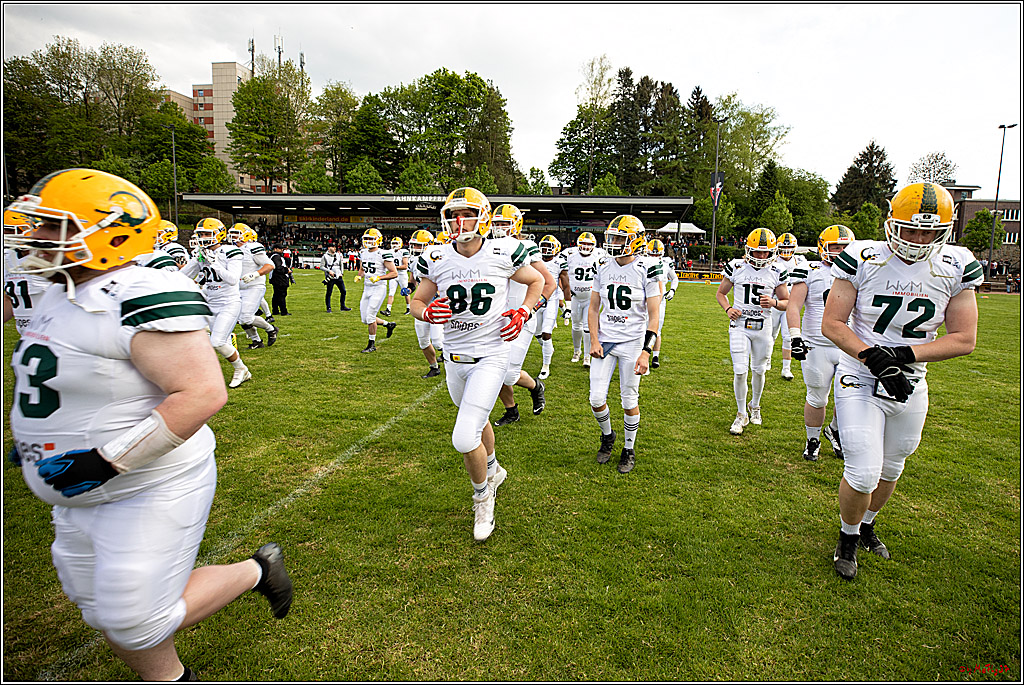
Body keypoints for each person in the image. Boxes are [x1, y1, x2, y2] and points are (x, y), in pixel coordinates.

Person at [3, 168, 293, 682]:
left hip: (148, 480)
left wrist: (106, 460)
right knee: (97, 607)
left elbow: (202, 392)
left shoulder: (140, 290)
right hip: (74, 484)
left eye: (54, 226)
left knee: (134, 618)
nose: (36, 236)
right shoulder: (58, 291)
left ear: (112, 234)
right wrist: (35, 437)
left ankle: (257, 570)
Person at [821, 182, 981, 581]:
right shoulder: (864, 257)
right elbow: (832, 323)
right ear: (892, 223)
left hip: (910, 379)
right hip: (860, 372)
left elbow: (964, 338)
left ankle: (867, 524)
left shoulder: (956, 264)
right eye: (910, 229)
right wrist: (874, 357)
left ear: (945, 231)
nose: (918, 239)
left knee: (893, 465)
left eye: (929, 232)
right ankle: (847, 538)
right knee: (863, 470)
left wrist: (903, 356)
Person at [411, 187, 543, 542]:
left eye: (467, 214)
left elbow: (536, 280)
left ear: (482, 218)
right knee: (478, 419)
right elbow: (417, 300)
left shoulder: (503, 251)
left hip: (491, 354)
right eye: (453, 215)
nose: (459, 222)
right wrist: (426, 312)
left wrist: (524, 310)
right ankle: (494, 469)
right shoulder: (436, 256)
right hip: (454, 356)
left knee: (464, 436)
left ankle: (483, 498)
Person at [587, 215, 662, 474]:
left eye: (620, 238)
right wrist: (594, 339)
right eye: (613, 238)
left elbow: (654, 315)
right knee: (596, 398)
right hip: (606, 340)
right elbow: (594, 307)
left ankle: (629, 448)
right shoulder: (602, 265)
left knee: (629, 398)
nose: (614, 243)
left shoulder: (647, 268)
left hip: (632, 341)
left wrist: (646, 351)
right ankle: (608, 435)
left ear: (636, 240)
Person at [785, 225, 855, 461]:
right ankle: (812, 439)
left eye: (845, 247)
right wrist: (795, 336)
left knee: (849, 397)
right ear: (823, 246)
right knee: (817, 396)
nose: (841, 251)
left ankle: (834, 430)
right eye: (836, 246)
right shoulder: (809, 269)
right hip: (817, 345)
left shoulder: (861, 271)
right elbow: (793, 305)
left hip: (848, 345)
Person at [715, 228, 790, 435]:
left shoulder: (777, 270)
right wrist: (728, 309)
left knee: (759, 370)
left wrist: (774, 302)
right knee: (740, 370)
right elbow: (721, 293)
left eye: (765, 252)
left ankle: (755, 405)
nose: (762, 256)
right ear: (749, 250)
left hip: (763, 326)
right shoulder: (736, 266)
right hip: (740, 325)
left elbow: (786, 301)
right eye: (757, 251)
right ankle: (741, 414)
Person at [489, 204, 553, 428]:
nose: (499, 228)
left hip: (521, 317)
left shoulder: (525, 247)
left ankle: (535, 386)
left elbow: (549, 283)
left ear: (516, 224)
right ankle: (511, 410)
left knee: (508, 374)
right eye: (496, 223)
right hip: (494, 317)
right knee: (492, 368)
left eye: (504, 223)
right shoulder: (486, 246)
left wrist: (529, 310)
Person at [180, 219, 251, 388]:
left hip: (229, 302)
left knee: (217, 342)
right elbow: (182, 275)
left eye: (207, 234)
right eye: (201, 234)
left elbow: (233, 279)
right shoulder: (201, 253)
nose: (203, 237)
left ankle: (241, 369)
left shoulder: (230, 251)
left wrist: (214, 263)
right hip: (210, 303)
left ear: (218, 234)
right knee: (219, 341)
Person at [4, 207, 54, 333]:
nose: (6, 234)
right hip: (28, 335)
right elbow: (11, 298)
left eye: (11, 230)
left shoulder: (50, 257)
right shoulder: (8, 257)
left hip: (54, 332)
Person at [564, 231, 608, 369]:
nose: (586, 246)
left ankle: (587, 356)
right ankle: (577, 351)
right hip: (575, 297)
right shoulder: (570, 254)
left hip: (590, 298)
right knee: (576, 326)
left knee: (587, 328)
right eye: (583, 243)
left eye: (589, 244)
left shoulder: (600, 255)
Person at [231, 224, 279, 349]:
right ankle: (256, 341)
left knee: (245, 317)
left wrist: (255, 274)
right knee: (239, 317)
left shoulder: (252, 247)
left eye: (236, 233)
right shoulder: (231, 249)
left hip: (254, 286)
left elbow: (270, 265)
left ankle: (271, 329)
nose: (232, 236)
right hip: (238, 287)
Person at [768, 232, 806, 380]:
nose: (786, 250)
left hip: (791, 304)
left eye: (789, 247)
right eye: (783, 247)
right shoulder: (772, 260)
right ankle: (767, 361)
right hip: (775, 302)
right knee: (770, 334)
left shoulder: (800, 261)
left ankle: (786, 368)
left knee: (788, 336)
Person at [356, 227, 398, 353]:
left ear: (378, 240)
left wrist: (379, 277)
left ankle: (371, 344)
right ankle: (388, 324)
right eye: (366, 239)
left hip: (379, 288)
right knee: (365, 319)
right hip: (367, 287)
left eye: (371, 239)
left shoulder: (383, 253)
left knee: (370, 317)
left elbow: (394, 273)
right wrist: (359, 276)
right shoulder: (363, 252)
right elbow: (362, 269)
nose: (368, 241)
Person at [408, 229, 443, 378]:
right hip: (421, 304)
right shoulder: (413, 260)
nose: (415, 248)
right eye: (414, 245)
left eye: (418, 245)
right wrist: (409, 288)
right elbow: (412, 281)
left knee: (438, 342)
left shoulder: (437, 259)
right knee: (423, 341)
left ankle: (454, 361)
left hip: (436, 303)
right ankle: (434, 367)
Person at [536, 234, 567, 380]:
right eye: (544, 246)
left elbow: (566, 284)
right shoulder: (535, 259)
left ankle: (545, 365)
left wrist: (567, 305)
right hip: (536, 300)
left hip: (551, 301)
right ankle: (548, 349)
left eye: (549, 246)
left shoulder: (559, 262)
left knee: (546, 333)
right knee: (536, 333)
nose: (546, 249)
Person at [645, 239, 678, 370]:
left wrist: (672, 290)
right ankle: (642, 354)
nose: (654, 257)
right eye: (651, 254)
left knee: (657, 329)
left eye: (656, 254)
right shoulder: (642, 262)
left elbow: (674, 278)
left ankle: (655, 356)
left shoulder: (666, 263)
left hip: (660, 299)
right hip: (645, 299)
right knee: (641, 328)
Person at [384, 237, 411, 316]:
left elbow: (405, 266)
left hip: (402, 275)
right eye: (393, 243)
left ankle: (409, 308)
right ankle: (388, 310)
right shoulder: (389, 252)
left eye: (396, 243)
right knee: (391, 292)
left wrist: (394, 267)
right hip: (393, 275)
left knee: (405, 292)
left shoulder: (403, 252)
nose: (395, 245)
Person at [319, 244, 350, 312]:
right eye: (333, 247)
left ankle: (343, 306)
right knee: (329, 293)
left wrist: (341, 273)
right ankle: (328, 308)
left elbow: (341, 264)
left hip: (338, 276)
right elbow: (321, 267)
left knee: (343, 291)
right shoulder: (325, 256)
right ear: (329, 248)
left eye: (335, 247)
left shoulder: (338, 255)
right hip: (330, 277)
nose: (334, 248)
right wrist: (329, 271)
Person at [269, 244, 291, 316]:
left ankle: (275, 310)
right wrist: (286, 270)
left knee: (276, 295)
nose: (282, 250)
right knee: (281, 295)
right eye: (280, 249)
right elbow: (278, 268)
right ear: (275, 249)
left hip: (276, 278)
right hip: (279, 278)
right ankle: (283, 311)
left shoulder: (275, 256)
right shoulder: (276, 257)